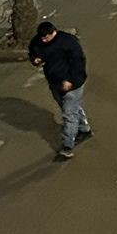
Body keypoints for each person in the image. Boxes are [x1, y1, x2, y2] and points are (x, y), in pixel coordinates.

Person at [31, 20, 90, 160]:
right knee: (69, 108)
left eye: (46, 37)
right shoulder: (38, 41)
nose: (43, 40)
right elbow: (32, 51)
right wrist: (35, 59)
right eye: (41, 38)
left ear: (53, 32)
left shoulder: (68, 43)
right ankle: (84, 129)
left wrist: (71, 82)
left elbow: (78, 64)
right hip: (55, 83)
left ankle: (67, 146)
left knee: (69, 114)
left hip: (72, 85)